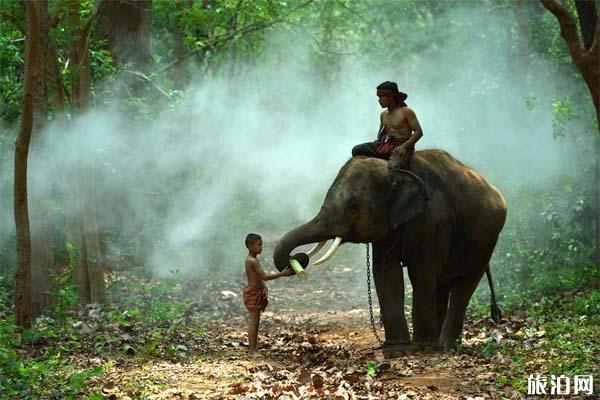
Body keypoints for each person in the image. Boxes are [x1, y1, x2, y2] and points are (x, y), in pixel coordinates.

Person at [352, 81, 423, 171]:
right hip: (385, 145)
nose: (379, 100)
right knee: (357, 150)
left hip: (401, 148)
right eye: (379, 97)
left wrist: (404, 146)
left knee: (393, 167)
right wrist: (378, 143)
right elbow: (381, 135)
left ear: (391, 96)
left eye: (381, 97)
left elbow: (419, 132)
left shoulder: (406, 112)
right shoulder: (383, 114)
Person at [243, 233, 293, 354]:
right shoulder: (252, 261)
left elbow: (258, 278)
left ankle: (253, 348)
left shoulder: (254, 259)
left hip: (257, 292)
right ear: (250, 246)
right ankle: (252, 350)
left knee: (256, 320)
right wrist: (282, 274)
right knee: (254, 321)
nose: (261, 247)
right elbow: (264, 276)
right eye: (258, 245)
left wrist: (264, 288)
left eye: (261, 244)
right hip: (253, 293)